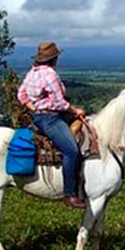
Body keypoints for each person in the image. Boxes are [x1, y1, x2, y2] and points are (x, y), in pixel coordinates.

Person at [17, 41, 87, 209]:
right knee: (71, 151)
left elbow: (21, 95)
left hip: (39, 116)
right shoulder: (50, 75)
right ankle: (69, 194)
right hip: (51, 118)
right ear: (53, 59)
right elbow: (59, 102)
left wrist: (34, 107)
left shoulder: (32, 72)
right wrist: (74, 110)